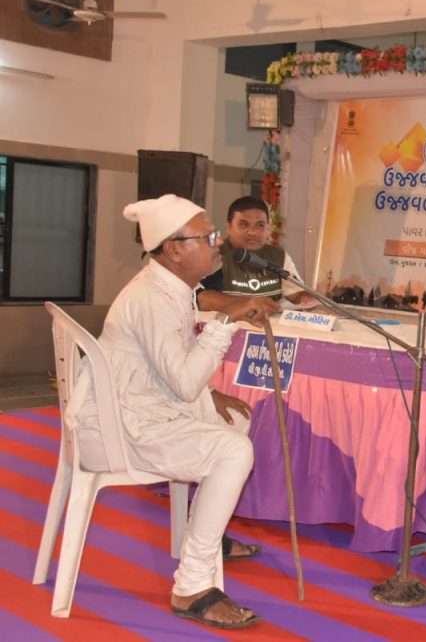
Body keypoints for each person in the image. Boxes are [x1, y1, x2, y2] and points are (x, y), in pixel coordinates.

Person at [67, 194, 274, 628]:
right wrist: (225, 323)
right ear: (174, 249)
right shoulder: (152, 298)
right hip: (116, 429)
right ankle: (192, 586)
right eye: (208, 237)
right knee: (233, 452)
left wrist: (209, 395)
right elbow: (182, 382)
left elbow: (166, 367)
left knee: (235, 419)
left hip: (136, 409)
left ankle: (206, 533)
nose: (219, 243)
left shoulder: (170, 288)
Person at [196, 196, 316, 315]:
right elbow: (203, 299)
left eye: (260, 225)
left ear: (267, 228)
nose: (253, 232)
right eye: (244, 225)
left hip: (270, 324)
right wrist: (249, 303)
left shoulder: (278, 255)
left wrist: (306, 298)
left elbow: (296, 294)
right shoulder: (216, 253)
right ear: (229, 227)